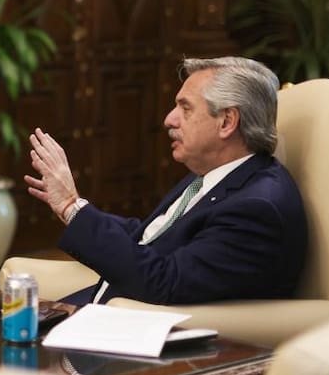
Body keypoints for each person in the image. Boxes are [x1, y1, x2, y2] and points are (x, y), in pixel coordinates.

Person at [24, 56, 307, 306]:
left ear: (227, 122)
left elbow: (165, 283)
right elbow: (149, 235)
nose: (168, 120)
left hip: (151, 343)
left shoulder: (257, 208)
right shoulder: (211, 176)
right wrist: (75, 210)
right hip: (105, 309)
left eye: (185, 109)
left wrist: (72, 208)